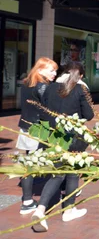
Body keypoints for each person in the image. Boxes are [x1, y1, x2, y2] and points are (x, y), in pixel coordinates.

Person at [31, 62, 94, 232]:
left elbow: (44, 111)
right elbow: (88, 115)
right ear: (80, 75)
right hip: (74, 138)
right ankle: (69, 210)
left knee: (57, 175)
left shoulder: (50, 88)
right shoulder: (80, 89)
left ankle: (40, 209)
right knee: (72, 174)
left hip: (54, 137)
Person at [16, 57, 58, 215]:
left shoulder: (26, 84)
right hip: (40, 129)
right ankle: (30, 201)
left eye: (55, 70)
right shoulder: (45, 87)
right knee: (54, 161)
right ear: (40, 70)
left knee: (29, 163)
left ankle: (27, 200)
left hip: (26, 127)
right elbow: (47, 112)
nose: (54, 73)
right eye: (51, 70)